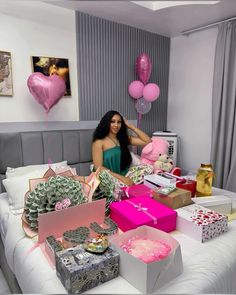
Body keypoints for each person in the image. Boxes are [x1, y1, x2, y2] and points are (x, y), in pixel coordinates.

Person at [92, 110, 153, 214]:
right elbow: (99, 168)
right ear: (107, 123)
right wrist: (123, 178)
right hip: (110, 177)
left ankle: (126, 191)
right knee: (104, 176)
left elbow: (147, 141)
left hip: (125, 175)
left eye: (119, 122)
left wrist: (131, 126)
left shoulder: (123, 138)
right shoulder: (99, 142)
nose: (116, 125)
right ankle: (125, 192)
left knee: (148, 168)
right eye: (113, 122)